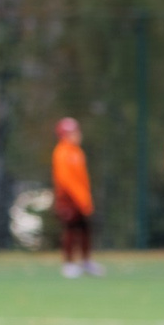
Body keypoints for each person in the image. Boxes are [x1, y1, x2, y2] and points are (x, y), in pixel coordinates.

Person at [51, 118, 98, 277]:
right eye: (73, 132)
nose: (77, 135)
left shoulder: (77, 151)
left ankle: (85, 262)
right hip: (68, 198)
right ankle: (68, 264)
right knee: (70, 231)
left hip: (81, 198)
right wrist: (80, 199)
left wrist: (85, 198)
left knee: (85, 230)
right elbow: (67, 181)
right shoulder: (62, 152)